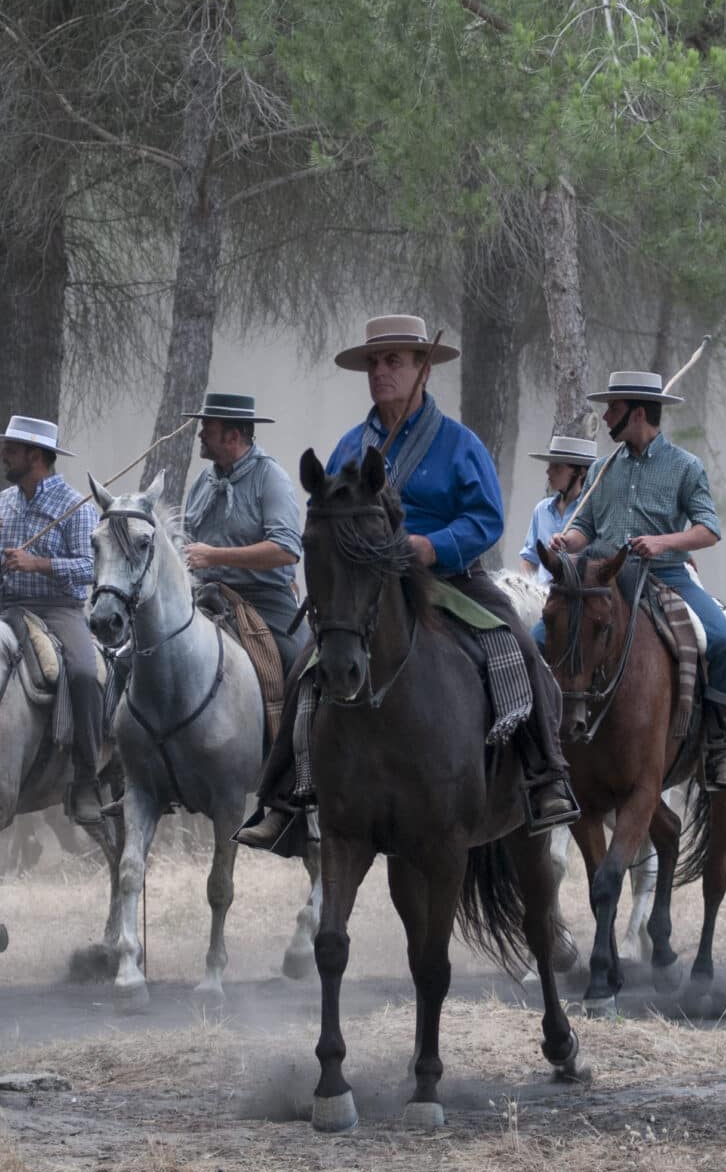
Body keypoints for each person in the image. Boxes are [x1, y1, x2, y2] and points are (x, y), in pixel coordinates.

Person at [237, 314, 581, 853]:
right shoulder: (351, 446)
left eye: (393, 361)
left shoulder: (459, 444)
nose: (380, 372)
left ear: (424, 368)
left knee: (518, 647)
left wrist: (431, 545)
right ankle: (283, 797)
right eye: (374, 362)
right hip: (372, 591)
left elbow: (486, 519)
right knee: (307, 667)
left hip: (452, 579)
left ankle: (545, 777)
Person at [548, 370, 726, 789]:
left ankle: (720, 745)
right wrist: (567, 540)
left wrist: (662, 542)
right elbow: (584, 525)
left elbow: (708, 529)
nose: (605, 418)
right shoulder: (603, 469)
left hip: (669, 574)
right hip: (602, 578)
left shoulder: (685, 467)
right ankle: (542, 748)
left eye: (613, 409)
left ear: (637, 414)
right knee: (537, 637)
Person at [0, 415, 110, 825]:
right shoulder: (3, 501)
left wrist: (39, 564)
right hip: (5, 603)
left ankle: (86, 780)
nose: (4, 454)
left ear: (34, 455)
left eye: (11, 448)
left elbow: (90, 568)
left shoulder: (74, 505)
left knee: (82, 673)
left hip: (58, 610)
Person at [178, 390, 307, 672]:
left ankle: (300, 716)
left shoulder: (270, 478)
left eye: (207, 430)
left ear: (233, 437)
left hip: (263, 599)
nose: (200, 435)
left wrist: (215, 556)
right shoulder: (203, 480)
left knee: (298, 660)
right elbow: (185, 539)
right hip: (203, 593)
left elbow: (286, 551)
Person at [519, 434, 596, 574]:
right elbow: (529, 559)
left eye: (557, 467)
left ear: (581, 472)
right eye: (550, 466)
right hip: (538, 594)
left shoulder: (591, 513)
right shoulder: (541, 509)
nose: (548, 472)